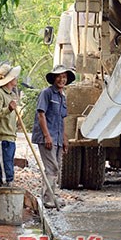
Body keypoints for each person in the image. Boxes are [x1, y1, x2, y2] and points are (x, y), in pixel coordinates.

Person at [32, 64, 75, 208]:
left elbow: (61, 119)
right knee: (52, 167)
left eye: (64, 77)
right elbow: (41, 114)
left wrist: (64, 138)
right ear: (54, 78)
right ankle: (48, 200)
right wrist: (47, 136)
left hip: (57, 137)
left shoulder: (62, 96)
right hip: (47, 137)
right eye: (59, 77)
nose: (62, 79)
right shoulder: (47, 93)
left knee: (55, 168)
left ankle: (50, 196)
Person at [0, 63, 21, 187]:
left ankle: (7, 195)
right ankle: (4, 197)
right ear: (9, 79)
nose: (16, 78)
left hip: (10, 137)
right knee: (5, 173)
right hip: (2, 137)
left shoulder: (10, 95)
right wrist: (8, 109)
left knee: (8, 167)